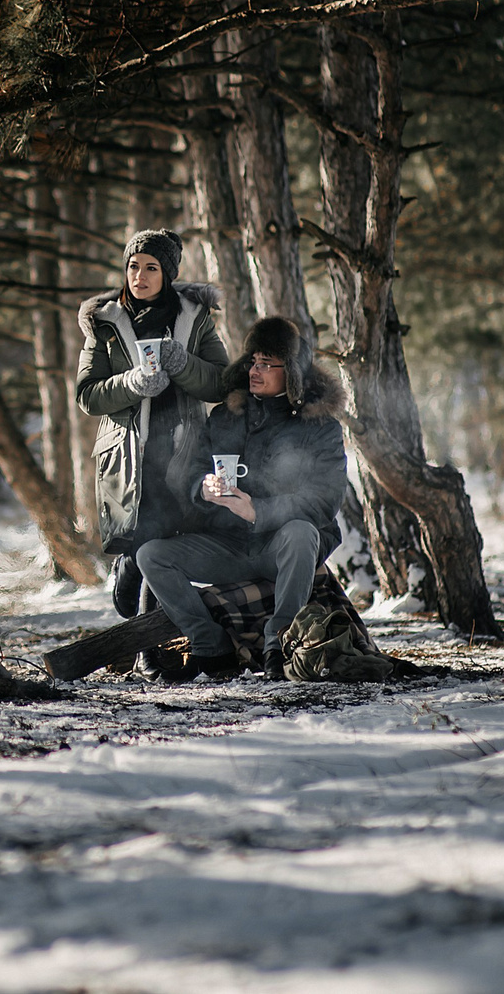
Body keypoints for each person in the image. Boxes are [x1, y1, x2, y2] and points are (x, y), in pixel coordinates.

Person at [136, 315, 349, 679]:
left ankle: (277, 643)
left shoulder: (319, 426)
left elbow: (324, 499)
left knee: (302, 532)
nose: (256, 369)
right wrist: (201, 488)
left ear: (293, 371)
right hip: (227, 545)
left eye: (267, 363)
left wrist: (258, 511)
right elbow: (194, 469)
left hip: (279, 548)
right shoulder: (225, 417)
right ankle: (210, 646)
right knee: (151, 556)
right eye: (253, 360)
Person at [75, 228, 233, 629]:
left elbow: (220, 384)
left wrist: (184, 365)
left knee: (165, 540)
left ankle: (152, 648)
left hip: (184, 450)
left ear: (168, 273)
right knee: (142, 546)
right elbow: (88, 396)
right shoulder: (104, 322)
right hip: (129, 456)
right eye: (132, 266)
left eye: (150, 267)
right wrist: (131, 384)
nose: (139, 276)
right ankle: (129, 578)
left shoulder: (195, 317)